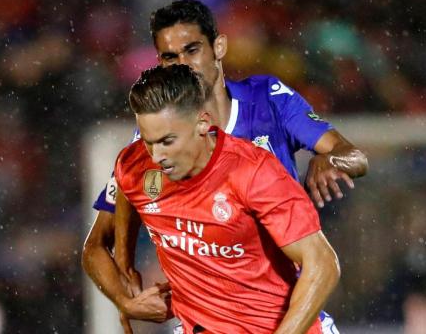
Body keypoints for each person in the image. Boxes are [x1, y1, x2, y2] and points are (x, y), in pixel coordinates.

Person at [82, 0, 367, 332]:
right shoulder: (147, 148)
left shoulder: (267, 102)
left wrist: (329, 158)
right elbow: (100, 241)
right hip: (207, 319)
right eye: (170, 57)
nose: (183, 65)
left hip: (284, 302)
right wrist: (125, 297)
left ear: (218, 47)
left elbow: (355, 157)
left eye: (191, 50)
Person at [116, 64, 341, 334]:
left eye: (167, 141)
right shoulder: (133, 167)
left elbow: (323, 265)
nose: (156, 156)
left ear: (202, 122)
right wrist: (125, 301)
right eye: (148, 142)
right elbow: (99, 245)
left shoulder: (251, 171)